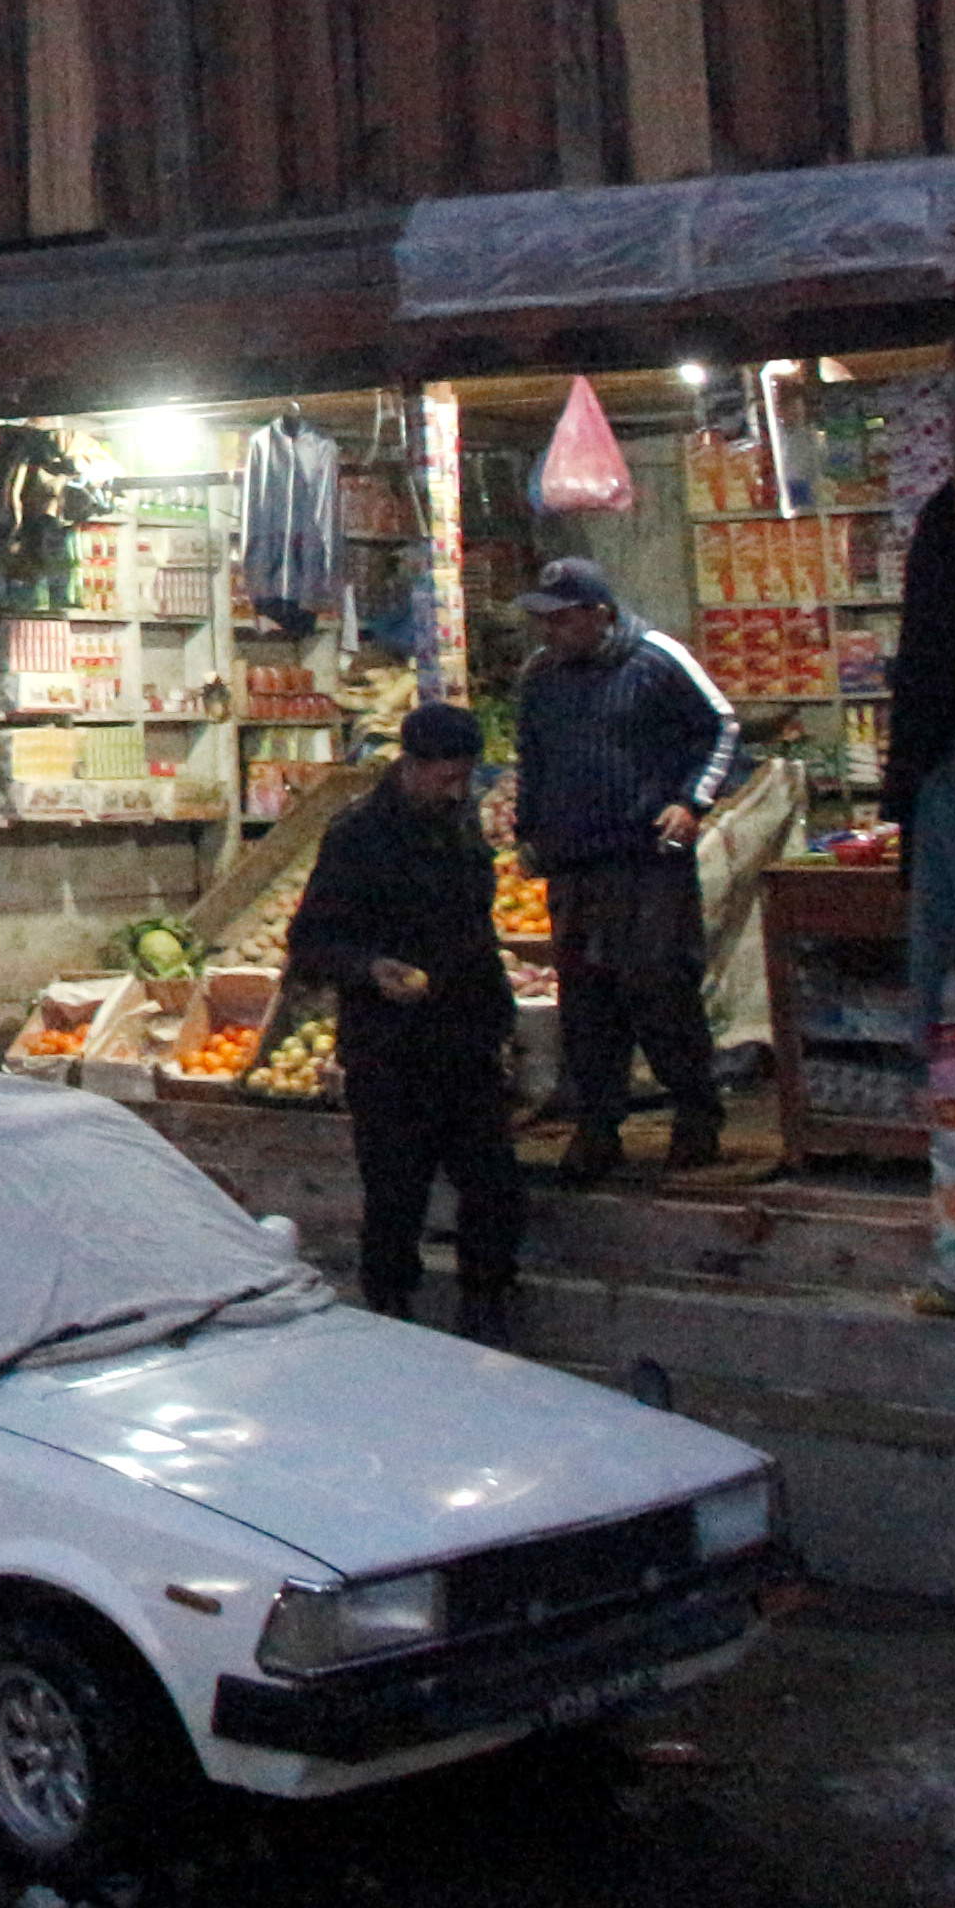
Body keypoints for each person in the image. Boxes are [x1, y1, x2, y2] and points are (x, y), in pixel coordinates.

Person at [282, 703, 528, 1343]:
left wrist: (498, 1022)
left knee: (494, 1184)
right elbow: (310, 942)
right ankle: (392, 1317)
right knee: (395, 1195)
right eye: (446, 778)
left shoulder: (460, 826)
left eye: (465, 779)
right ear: (411, 766)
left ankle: (486, 1309)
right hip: (389, 1051)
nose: (458, 791)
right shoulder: (357, 835)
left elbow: (475, 931)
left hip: (467, 1039)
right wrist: (371, 969)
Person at [513, 555, 743, 1181]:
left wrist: (691, 802)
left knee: (660, 988)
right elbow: (532, 758)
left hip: (646, 862)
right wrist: (528, 832)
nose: (550, 633)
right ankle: (597, 1128)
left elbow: (722, 727)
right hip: (573, 866)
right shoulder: (539, 678)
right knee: (587, 1001)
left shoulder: (657, 657)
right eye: (545, 621)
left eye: (561, 620)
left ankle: (697, 1114)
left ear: (599, 614)